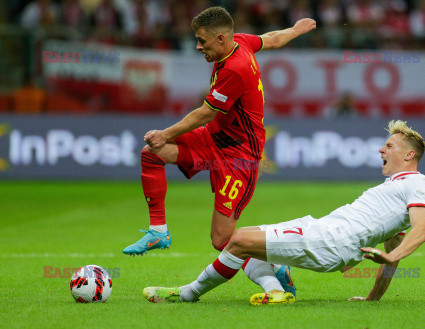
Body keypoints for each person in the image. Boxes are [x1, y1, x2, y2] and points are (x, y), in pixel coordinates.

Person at [142, 120, 425, 305]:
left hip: (333, 239)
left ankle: (187, 294)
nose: (381, 149)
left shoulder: (417, 182)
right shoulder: (394, 189)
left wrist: (392, 255)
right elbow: (393, 250)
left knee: (238, 239)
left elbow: (420, 231)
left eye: (390, 145)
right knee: (246, 242)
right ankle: (277, 288)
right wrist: (372, 298)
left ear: (409, 155)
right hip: (325, 231)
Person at [122, 7, 316, 255]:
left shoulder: (235, 68)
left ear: (220, 38)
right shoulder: (242, 41)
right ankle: (158, 231)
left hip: (240, 155)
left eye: (202, 41)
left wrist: (165, 133)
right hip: (214, 137)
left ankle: (277, 261)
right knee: (152, 153)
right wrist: (296, 29)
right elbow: (273, 39)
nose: (198, 47)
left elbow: (205, 112)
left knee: (222, 240)